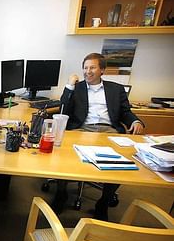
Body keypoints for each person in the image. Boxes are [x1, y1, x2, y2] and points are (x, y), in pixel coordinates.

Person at [52, 52, 144, 220]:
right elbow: (63, 111)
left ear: (102, 70)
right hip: (82, 129)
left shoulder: (116, 89)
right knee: (63, 158)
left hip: (108, 130)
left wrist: (136, 121)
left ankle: (103, 202)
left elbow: (125, 112)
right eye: (85, 68)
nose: (88, 71)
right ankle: (61, 193)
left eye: (92, 67)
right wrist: (69, 86)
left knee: (121, 163)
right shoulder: (77, 88)